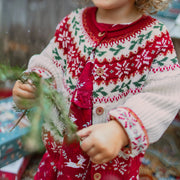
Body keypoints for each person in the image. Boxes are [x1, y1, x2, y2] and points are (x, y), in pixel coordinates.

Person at [12, 0, 180, 179]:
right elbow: (51, 62)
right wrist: (34, 83)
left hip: (111, 168)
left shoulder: (153, 37)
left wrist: (120, 130)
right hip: (61, 155)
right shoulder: (73, 24)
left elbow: (164, 93)